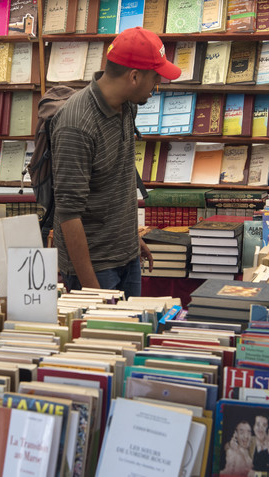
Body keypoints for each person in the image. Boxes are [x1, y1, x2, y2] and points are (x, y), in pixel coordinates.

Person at [50, 27, 181, 298]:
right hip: (94, 267)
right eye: (155, 77)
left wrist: (132, 238)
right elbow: (68, 213)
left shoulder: (128, 104)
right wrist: (92, 293)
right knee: (101, 336)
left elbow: (116, 180)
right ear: (134, 77)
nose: (157, 86)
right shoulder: (76, 125)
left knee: (132, 336)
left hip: (127, 255)